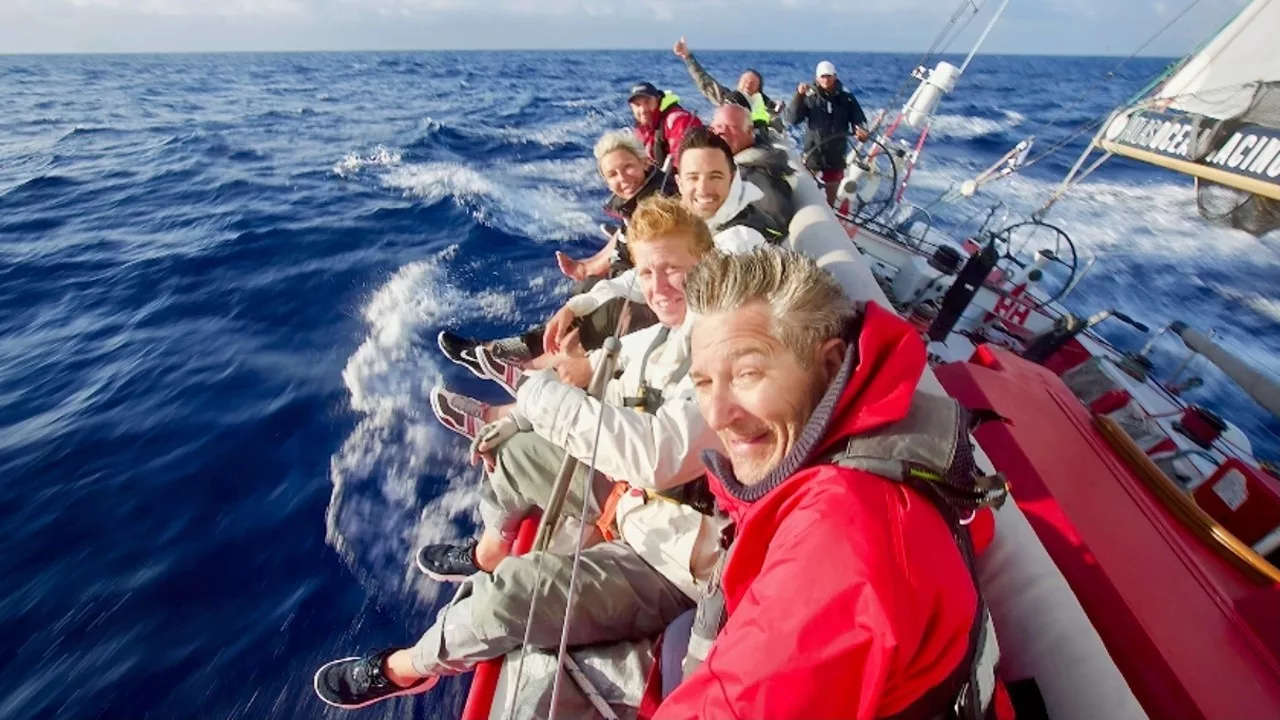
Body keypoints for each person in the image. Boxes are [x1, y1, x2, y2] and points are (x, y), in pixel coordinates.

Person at [312, 197, 726, 712]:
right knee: (518, 452)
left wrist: (534, 392)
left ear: (707, 265)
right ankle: (489, 549)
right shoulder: (659, 336)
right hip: (634, 501)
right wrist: (511, 423)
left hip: (672, 557)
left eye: (674, 271)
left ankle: (408, 667)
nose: (658, 286)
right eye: (646, 271)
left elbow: (660, 456)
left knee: (511, 594)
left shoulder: (723, 348)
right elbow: (604, 386)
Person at [655, 247, 1008, 719]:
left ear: (828, 364)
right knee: (681, 632)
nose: (718, 414)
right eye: (702, 383)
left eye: (746, 374)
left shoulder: (846, 535)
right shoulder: (851, 459)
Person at [434, 131, 667, 394]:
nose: (623, 178)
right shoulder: (638, 199)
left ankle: (529, 374)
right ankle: (511, 352)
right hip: (629, 278)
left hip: (652, 290)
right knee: (585, 288)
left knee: (603, 310)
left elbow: (651, 262)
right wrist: (588, 266)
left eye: (628, 167)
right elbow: (623, 237)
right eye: (613, 174)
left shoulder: (659, 205)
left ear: (645, 162)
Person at [786, 60, 869, 206]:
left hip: (836, 156)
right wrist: (798, 96)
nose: (826, 79)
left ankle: (830, 214)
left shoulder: (847, 97)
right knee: (805, 193)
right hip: (813, 153)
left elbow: (859, 119)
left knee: (830, 197)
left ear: (835, 76)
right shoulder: (809, 96)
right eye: (823, 76)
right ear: (817, 78)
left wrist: (862, 131)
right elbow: (792, 119)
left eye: (829, 76)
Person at [708, 103, 795, 226]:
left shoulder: (756, 174)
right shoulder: (728, 162)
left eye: (731, 127)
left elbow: (775, 218)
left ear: (750, 132)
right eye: (718, 127)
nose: (722, 133)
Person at [671, 36, 783, 131]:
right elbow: (704, 81)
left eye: (752, 84)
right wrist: (687, 56)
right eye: (744, 82)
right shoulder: (727, 99)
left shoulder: (767, 108)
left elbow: (781, 120)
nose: (747, 85)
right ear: (738, 84)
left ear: (759, 91)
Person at [628, 81, 702, 170]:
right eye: (637, 105)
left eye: (648, 102)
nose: (643, 109)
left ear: (658, 100)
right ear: (632, 108)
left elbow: (687, 165)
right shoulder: (642, 130)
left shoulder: (679, 121)